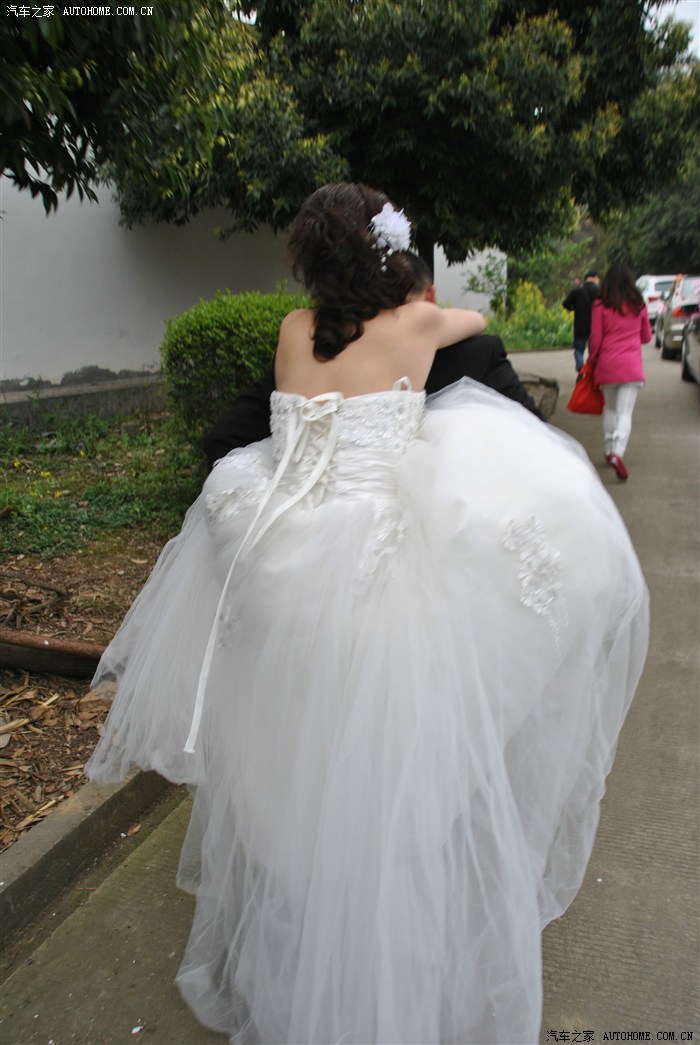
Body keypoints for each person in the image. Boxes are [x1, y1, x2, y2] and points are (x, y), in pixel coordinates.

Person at [86, 183, 649, 1045]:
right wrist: (423, 307)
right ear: (393, 257)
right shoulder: (421, 325)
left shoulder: (291, 331)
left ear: (310, 264)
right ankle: (374, 956)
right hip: (366, 568)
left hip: (278, 565)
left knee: (300, 760)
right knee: (381, 771)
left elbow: (265, 428)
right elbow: (468, 322)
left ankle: (301, 921)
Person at [203, 252, 545, 471]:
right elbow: (538, 442)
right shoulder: (480, 353)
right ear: (429, 296)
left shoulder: (316, 354)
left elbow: (225, 438)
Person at [588, 262, 652, 481]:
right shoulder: (639, 306)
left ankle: (608, 450)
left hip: (608, 365)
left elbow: (595, 340)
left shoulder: (600, 306)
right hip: (631, 367)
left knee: (611, 409)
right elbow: (646, 337)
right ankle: (618, 453)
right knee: (625, 413)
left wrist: (592, 360)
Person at [563, 269, 600, 372]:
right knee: (594, 350)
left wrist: (574, 308)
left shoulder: (576, 290)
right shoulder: (599, 291)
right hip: (595, 325)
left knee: (579, 350)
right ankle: (592, 370)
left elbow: (565, 304)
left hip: (580, 325)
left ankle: (581, 366)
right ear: (595, 277)